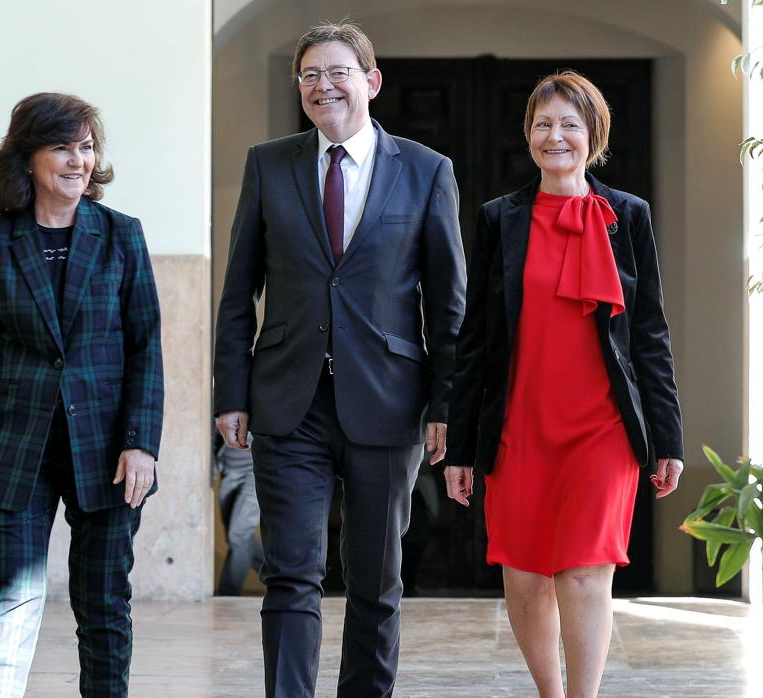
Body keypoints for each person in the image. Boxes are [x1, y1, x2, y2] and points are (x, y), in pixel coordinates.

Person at [213, 21, 466, 697]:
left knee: (376, 579)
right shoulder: (268, 164)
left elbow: (448, 305)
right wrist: (230, 394)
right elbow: (240, 289)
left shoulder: (425, 170)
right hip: (286, 399)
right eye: (308, 76)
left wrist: (445, 404)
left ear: (370, 81)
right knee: (290, 572)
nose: (323, 87)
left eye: (337, 72)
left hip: (387, 400)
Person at [443, 71, 685, 698]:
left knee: (583, 575)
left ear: (593, 137)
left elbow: (650, 334)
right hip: (519, 425)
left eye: (570, 125)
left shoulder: (627, 216)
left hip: (603, 429)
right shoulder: (500, 219)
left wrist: (667, 436)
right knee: (525, 577)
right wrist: (463, 446)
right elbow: (475, 338)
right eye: (543, 124)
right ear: (528, 135)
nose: (556, 137)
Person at [0, 92, 164, 698]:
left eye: (87, 147)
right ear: (28, 157)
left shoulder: (123, 236)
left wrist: (141, 443)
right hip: (15, 446)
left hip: (108, 447)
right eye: (62, 146)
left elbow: (146, 345)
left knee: (102, 602)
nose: (78, 160)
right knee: (10, 597)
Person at [215, 431, 264, 595]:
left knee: (238, 534)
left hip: (257, 471)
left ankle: (228, 593)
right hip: (229, 471)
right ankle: (288, 575)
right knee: (240, 540)